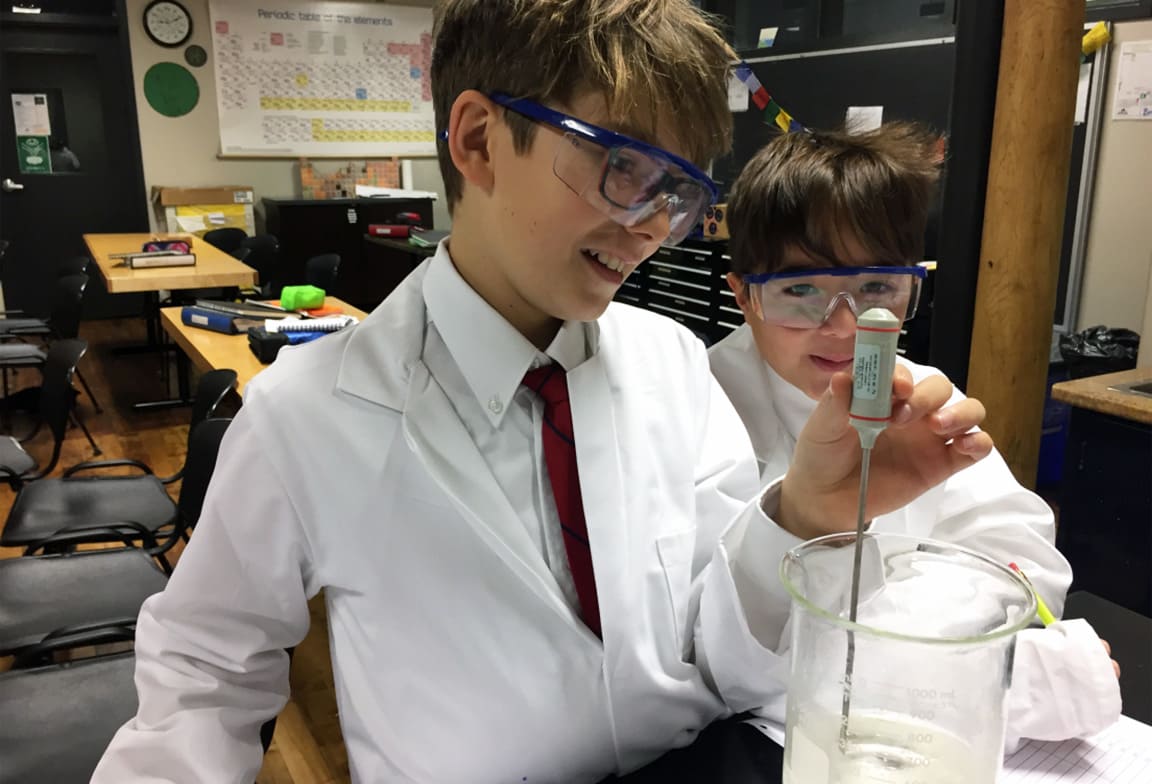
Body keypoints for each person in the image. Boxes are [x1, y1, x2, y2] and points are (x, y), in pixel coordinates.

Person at [94, 4, 997, 782]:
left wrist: (803, 515)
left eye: (676, 192)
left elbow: (730, 658)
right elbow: (206, 673)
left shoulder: (672, 365)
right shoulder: (308, 415)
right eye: (624, 169)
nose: (650, 228)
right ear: (480, 139)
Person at [708, 123, 1122, 749]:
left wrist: (866, 637)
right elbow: (729, 659)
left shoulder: (926, 396)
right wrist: (998, 676)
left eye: (876, 288)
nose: (845, 328)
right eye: (800, 290)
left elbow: (1023, 567)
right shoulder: (703, 399)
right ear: (743, 296)